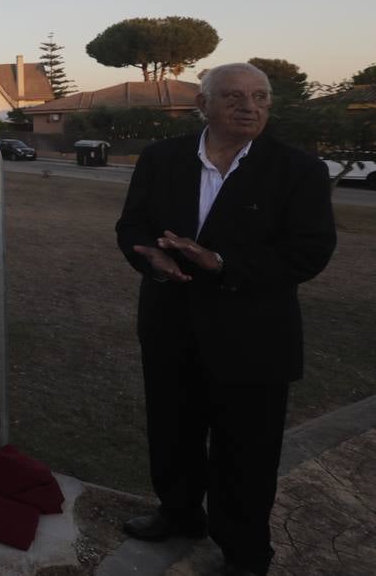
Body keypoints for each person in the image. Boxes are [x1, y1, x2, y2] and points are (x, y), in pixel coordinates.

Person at [115, 63, 336, 576]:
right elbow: (133, 225)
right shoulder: (161, 158)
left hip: (255, 336)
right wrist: (150, 256)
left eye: (260, 97)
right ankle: (179, 512)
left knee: (247, 451)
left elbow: (310, 252)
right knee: (172, 431)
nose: (249, 107)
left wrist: (222, 264)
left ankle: (244, 551)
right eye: (234, 96)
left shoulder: (298, 170)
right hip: (171, 325)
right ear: (203, 104)